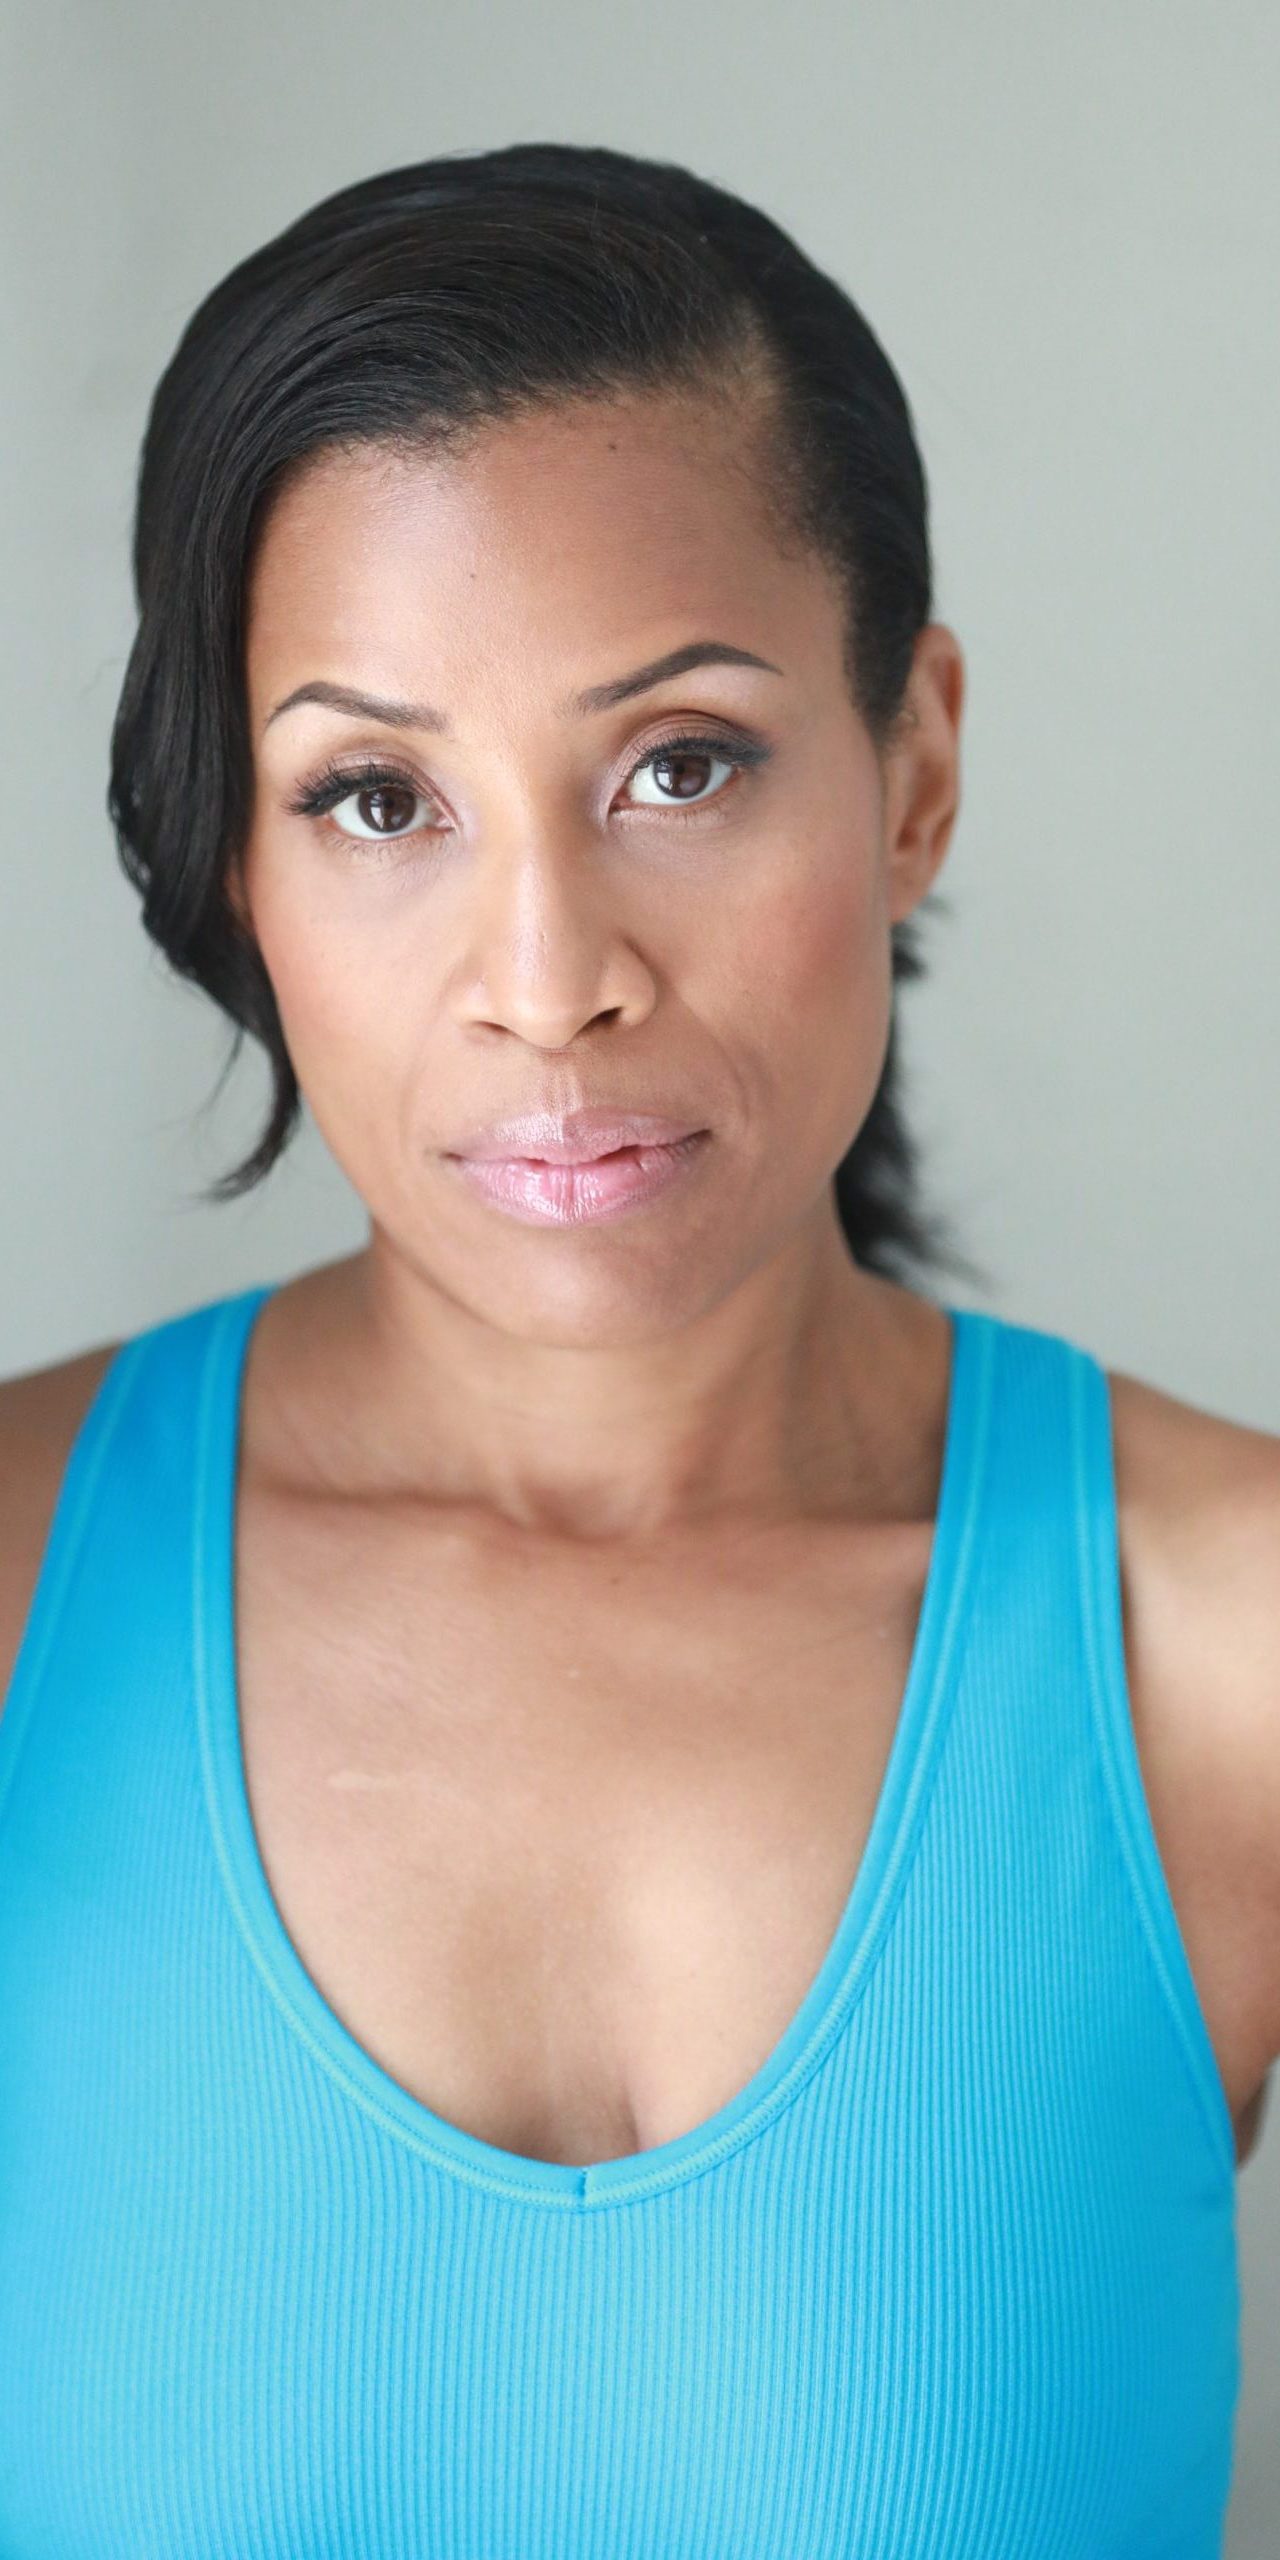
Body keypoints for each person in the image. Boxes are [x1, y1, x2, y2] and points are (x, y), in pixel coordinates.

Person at [0, 140, 1274, 2558]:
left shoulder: (1223, 1644)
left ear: (912, 768)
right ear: (236, 861)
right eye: (376, 796)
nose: (549, 974)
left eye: (678, 764)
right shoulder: (14, 1586)